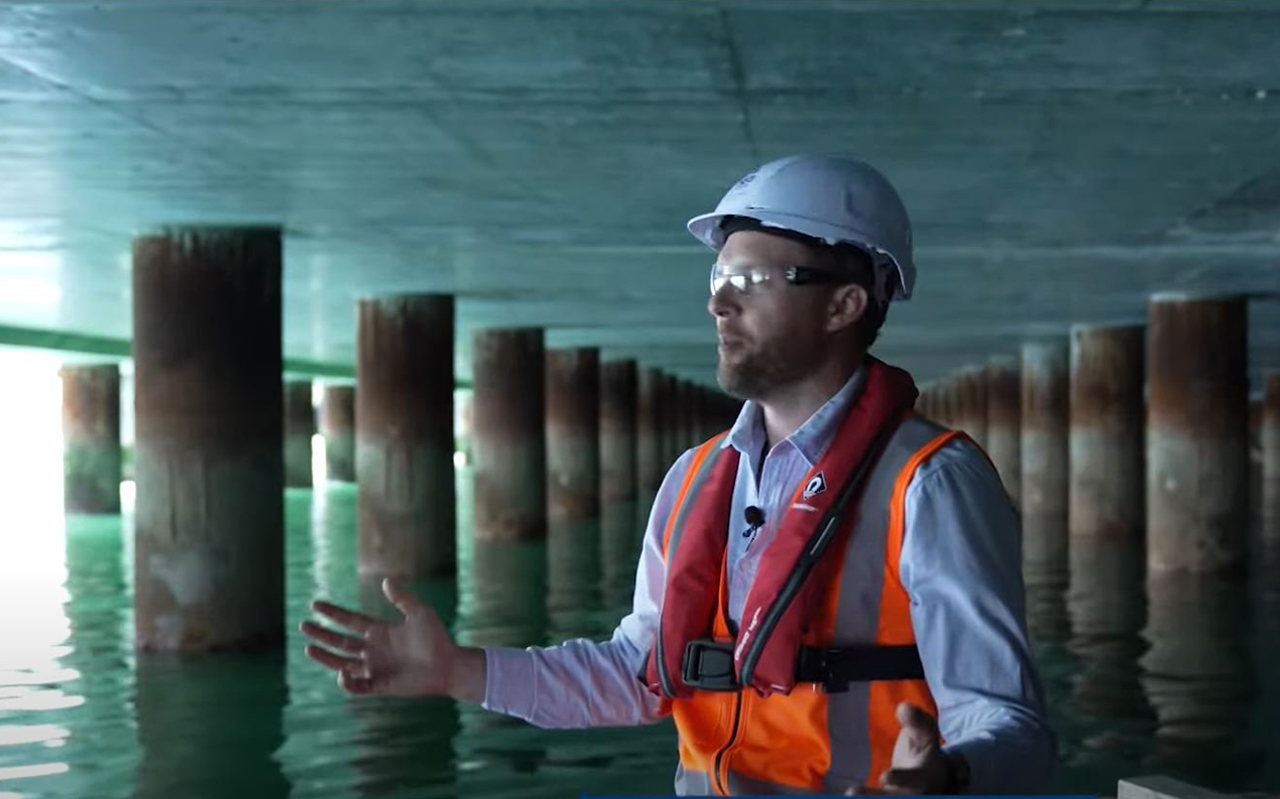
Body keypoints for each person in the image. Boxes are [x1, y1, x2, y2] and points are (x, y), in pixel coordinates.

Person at [302, 154, 1056, 795]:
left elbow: (1010, 724)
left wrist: (951, 778)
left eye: (751, 277)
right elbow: (638, 674)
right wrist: (458, 671)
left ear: (844, 305)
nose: (717, 300)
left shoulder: (930, 483)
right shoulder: (695, 478)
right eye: (720, 273)